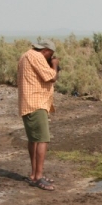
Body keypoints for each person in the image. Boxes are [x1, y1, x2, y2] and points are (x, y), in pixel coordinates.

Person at [17, 39, 60, 190]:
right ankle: (38, 177)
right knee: (42, 139)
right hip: (36, 103)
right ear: (46, 51)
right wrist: (54, 64)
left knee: (34, 139)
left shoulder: (25, 55)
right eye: (51, 55)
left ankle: (34, 174)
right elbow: (52, 77)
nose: (50, 57)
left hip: (29, 103)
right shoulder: (36, 57)